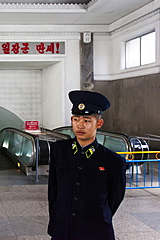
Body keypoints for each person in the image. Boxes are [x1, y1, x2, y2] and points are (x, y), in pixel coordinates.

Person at [47, 90, 127, 240]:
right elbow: (53, 191)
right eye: (76, 119)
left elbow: (114, 199)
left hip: (96, 231)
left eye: (87, 120)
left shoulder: (113, 161)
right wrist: (56, 220)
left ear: (99, 123)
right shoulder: (59, 150)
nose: (80, 125)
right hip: (63, 230)